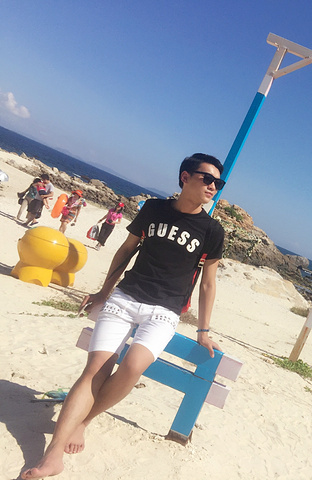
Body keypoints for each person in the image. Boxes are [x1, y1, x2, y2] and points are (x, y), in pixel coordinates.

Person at [21, 153, 226, 480]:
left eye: (219, 182)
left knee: (132, 367)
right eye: (208, 179)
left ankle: (85, 422)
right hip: (126, 298)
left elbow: (208, 283)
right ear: (185, 177)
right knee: (95, 369)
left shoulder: (212, 230)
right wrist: (104, 291)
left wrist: (203, 331)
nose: (214, 186)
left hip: (165, 311)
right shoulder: (153, 209)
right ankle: (53, 454)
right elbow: (126, 249)